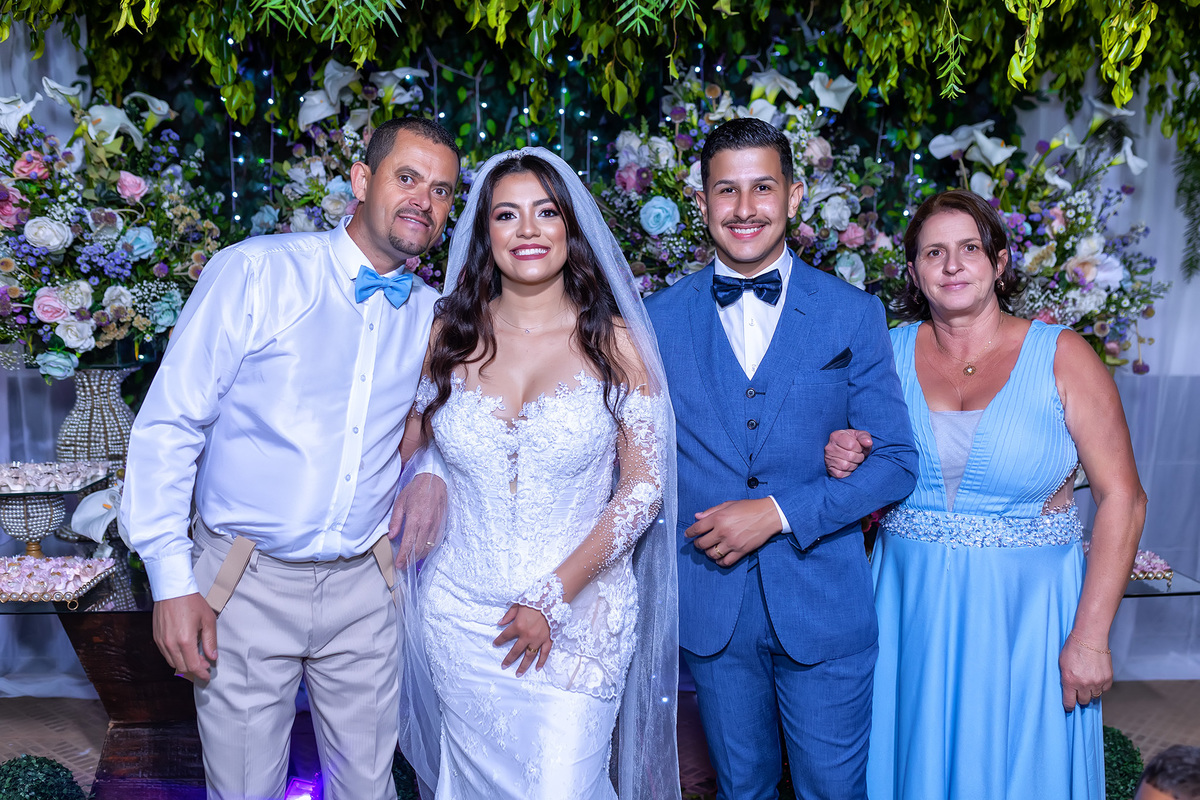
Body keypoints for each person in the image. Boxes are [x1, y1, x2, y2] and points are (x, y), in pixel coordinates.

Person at [120, 117, 462, 800]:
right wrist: (171, 581)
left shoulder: (434, 315)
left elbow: (445, 427)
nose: (424, 200)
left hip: (366, 585)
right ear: (361, 180)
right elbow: (170, 424)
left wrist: (428, 474)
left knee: (369, 789)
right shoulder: (256, 272)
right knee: (244, 788)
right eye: (407, 177)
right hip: (245, 578)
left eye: (442, 190)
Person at [825, 189, 1147, 799]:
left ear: (999, 262)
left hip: (1026, 618)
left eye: (969, 248)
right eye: (934, 253)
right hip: (907, 610)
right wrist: (842, 452)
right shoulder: (882, 353)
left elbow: (1124, 500)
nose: (952, 265)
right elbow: (855, 458)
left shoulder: (1065, 356)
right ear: (914, 272)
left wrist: (1090, 636)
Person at [643, 117, 918, 799]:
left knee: (833, 791)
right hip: (713, 605)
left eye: (762, 188)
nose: (745, 208)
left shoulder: (852, 313)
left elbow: (895, 462)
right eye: (726, 190)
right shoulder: (653, 320)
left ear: (794, 196)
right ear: (701, 202)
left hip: (824, 603)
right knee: (743, 789)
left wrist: (776, 512)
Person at [393, 148, 680, 800]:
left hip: (578, 617)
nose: (526, 230)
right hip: (461, 620)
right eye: (506, 215)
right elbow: (400, 450)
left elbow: (643, 486)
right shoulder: (447, 335)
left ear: (570, 228)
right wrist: (430, 470)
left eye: (545, 212)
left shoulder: (617, 341)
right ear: (484, 232)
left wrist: (553, 595)